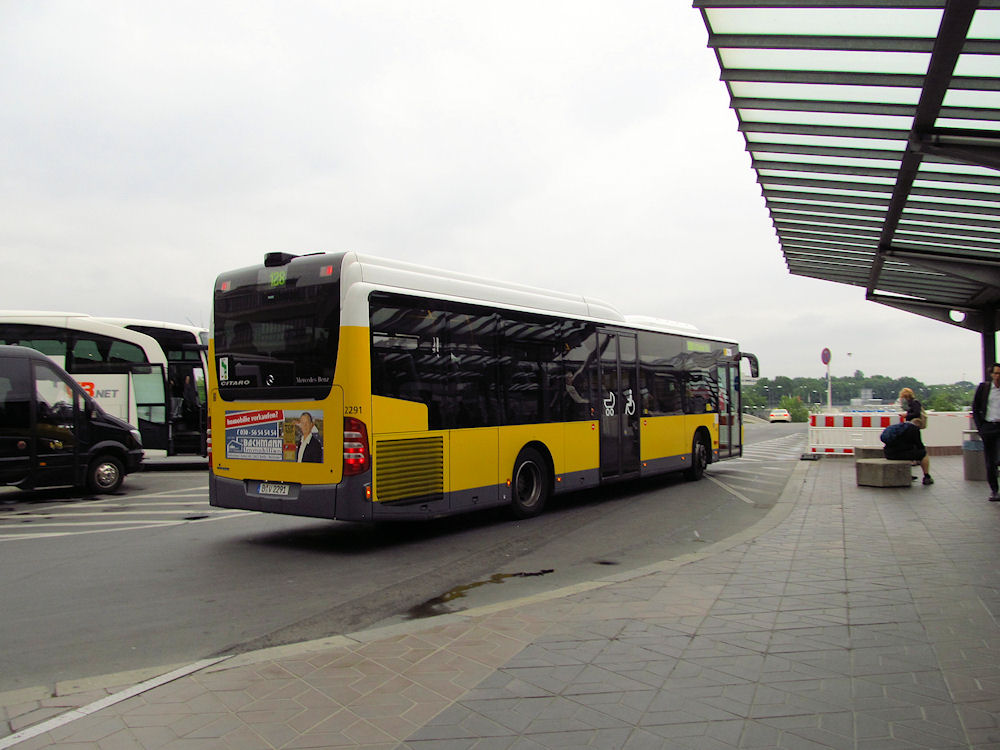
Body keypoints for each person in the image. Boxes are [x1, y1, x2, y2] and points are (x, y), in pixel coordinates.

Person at [972, 362, 1000, 501]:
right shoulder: (984, 388)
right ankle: (994, 490)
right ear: (991, 374)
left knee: (998, 458)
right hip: (988, 427)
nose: (998, 376)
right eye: (995, 373)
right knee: (990, 461)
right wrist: (980, 427)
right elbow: (975, 408)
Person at [882, 419, 933, 485]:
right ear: (919, 425)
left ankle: (907, 474)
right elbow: (919, 445)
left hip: (888, 454)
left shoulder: (899, 427)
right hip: (900, 454)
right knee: (923, 453)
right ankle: (927, 477)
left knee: (909, 452)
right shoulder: (914, 429)